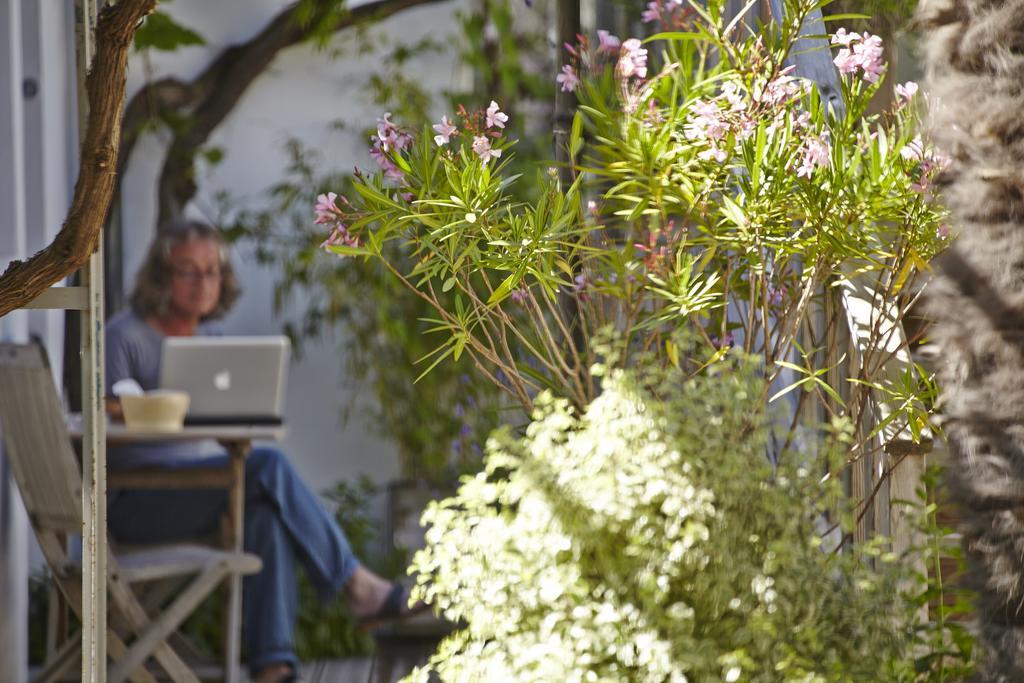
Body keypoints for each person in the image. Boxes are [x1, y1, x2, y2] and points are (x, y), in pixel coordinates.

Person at [105, 218, 414, 683]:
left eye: (212, 272)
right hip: (139, 499)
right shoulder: (124, 335)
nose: (202, 283)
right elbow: (104, 413)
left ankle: (273, 666)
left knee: (265, 516)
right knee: (266, 465)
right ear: (161, 276)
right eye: (188, 271)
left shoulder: (211, 340)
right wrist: (156, 413)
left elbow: (216, 418)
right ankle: (356, 584)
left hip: (205, 491)